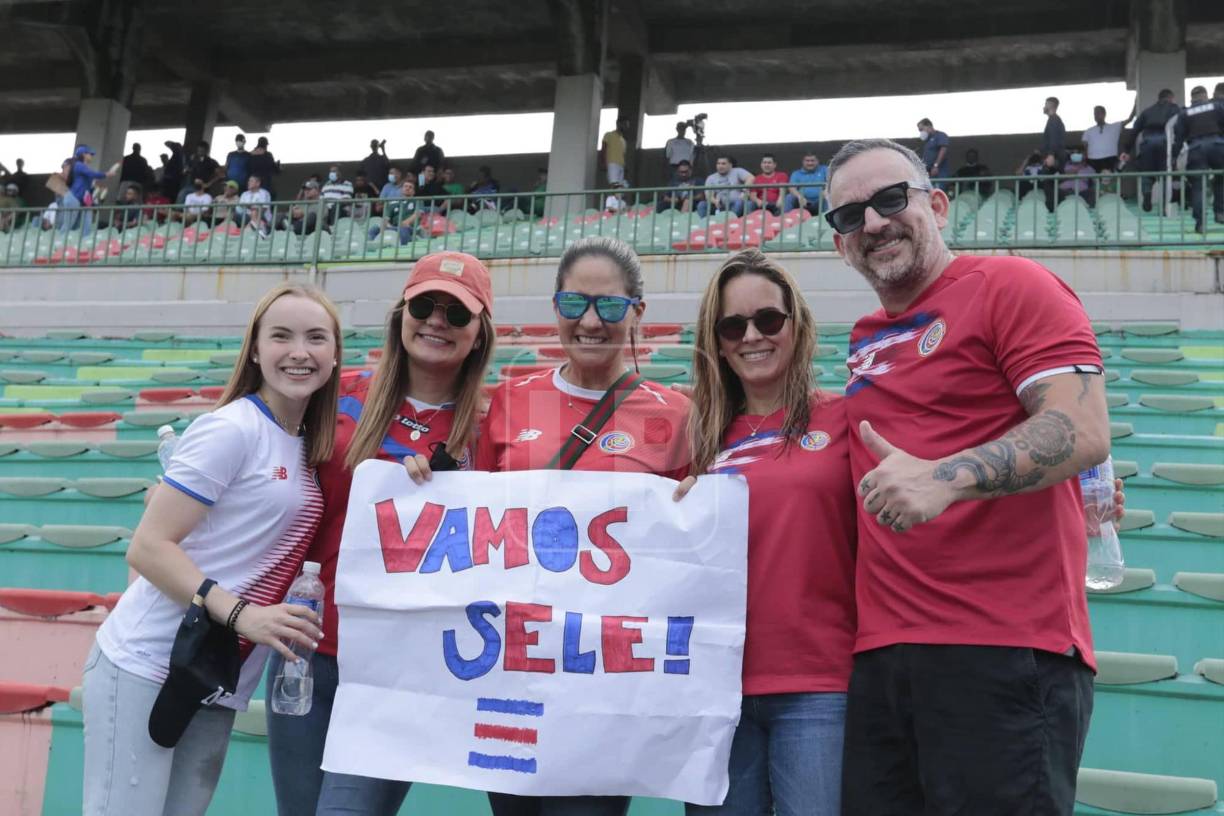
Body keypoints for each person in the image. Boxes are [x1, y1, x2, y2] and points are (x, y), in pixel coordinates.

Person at [823, 138, 1110, 815]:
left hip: (1002, 649)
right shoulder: (866, 336)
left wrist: (945, 478)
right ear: (839, 245)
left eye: (892, 199)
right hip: (883, 659)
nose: (872, 223)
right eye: (849, 215)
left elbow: (1081, 428)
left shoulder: (1011, 283)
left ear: (938, 205)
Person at [406, 235, 691, 816]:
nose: (590, 321)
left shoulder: (676, 412)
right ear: (555, 307)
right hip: (513, 676)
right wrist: (423, 490)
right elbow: (477, 529)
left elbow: (686, 549)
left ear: (637, 311)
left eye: (610, 306)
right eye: (574, 304)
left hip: (607, 685)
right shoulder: (511, 401)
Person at [82, 283, 340, 816]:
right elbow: (149, 549)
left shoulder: (303, 441)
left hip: (218, 677)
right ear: (254, 349)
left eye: (316, 337)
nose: (299, 351)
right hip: (149, 662)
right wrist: (245, 616)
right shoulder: (231, 428)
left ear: (335, 356)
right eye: (281, 336)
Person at [267, 252, 495, 816]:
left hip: (404, 669)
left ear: (478, 334)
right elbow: (250, 457)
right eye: (424, 305)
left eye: (456, 314)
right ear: (401, 314)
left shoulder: (495, 425)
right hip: (306, 647)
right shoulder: (334, 393)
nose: (436, 321)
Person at [675, 249, 855, 816]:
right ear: (718, 340)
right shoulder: (692, 436)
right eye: (733, 325)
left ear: (795, 325)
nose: (752, 336)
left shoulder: (846, 418)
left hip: (819, 684)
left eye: (768, 320)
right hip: (713, 693)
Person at [1172, 83, 1224, 234]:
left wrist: (1174, 158)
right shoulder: (1216, 107)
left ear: (1191, 99)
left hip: (1196, 149)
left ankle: (1201, 223)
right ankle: (1220, 212)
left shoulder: (1184, 113)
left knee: (1198, 186)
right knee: (1221, 178)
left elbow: (1178, 138)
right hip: (1217, 146)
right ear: (1206, 96)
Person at [1129, 88, 1180, 211]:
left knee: (1147, 173)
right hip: (1165, 144)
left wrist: (1126, 149)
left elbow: (1134, 131)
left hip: (1147, 145)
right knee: (1164, 176)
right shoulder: (1175, 109)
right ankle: (1164, 207)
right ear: (1171, 98)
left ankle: (1147, 196)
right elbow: (1181, 127)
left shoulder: (1147, 112)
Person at [62, 144, 119, 234]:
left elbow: (88, 185)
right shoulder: (78, 165)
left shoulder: (81, 166)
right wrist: (106, 174)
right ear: (84, 154)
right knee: (69, 225)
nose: (92, 156)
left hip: (80, 200)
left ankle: (77, 243)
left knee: (78, 226)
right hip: (73, 198)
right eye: (90, 154)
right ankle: (60, 244)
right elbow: (92, 174)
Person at [1082, 103, 1135, 172]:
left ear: (1104, 114)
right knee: (1095, 180)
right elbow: (1085, 146)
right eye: (1095, 114)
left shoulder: (1114, 127)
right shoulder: (1088, 131)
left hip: (1110, 160)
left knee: (1109, 179)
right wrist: (1085, 160)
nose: (1096, 116)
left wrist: (1136, 104)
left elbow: (1130, 119)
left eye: (1098, 113)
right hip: (1092, 161)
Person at [369, 177, 421, 245]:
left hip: (408, 228)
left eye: (410, 187)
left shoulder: (417, 201)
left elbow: (418, 214)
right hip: (393, 227)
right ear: (401, 189)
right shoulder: (393, 202)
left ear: (413, 192)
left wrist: (406, 222)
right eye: (405, 186)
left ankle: (402, 250)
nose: (407, 188)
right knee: (374, 229)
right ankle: (374, 249)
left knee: (403, 230)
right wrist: (385, 226)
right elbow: (386, 218)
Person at [917, 118, 950, 185]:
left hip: (940, 171)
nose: (921, 132)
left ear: (928, 125)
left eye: (921, 129)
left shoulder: (940, 135)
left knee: (938, 191)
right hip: (929, 173)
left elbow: (943, 150)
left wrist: (936, 166)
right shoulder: (927, 141)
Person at [601, 116, 631, 186]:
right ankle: (612, 197)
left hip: (621, 165)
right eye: (625, 124)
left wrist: (625, 167)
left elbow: (623, 155)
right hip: (612, 164)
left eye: (627, 126)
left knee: (621, 187)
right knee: (614, 185)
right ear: (618, 124)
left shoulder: (623, 140)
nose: (626, 127)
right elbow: (604, 149)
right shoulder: (608, 135)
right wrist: (603, 162)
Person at [1041, 96, 1066, 163]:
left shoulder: (1054, 120)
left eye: (1045, 104)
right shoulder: (1053, 119)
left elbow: (1054, 138)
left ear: (1050, 105)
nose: (1044, 107)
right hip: (1055, 156)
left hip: (1054, 157)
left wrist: (1051, 155)